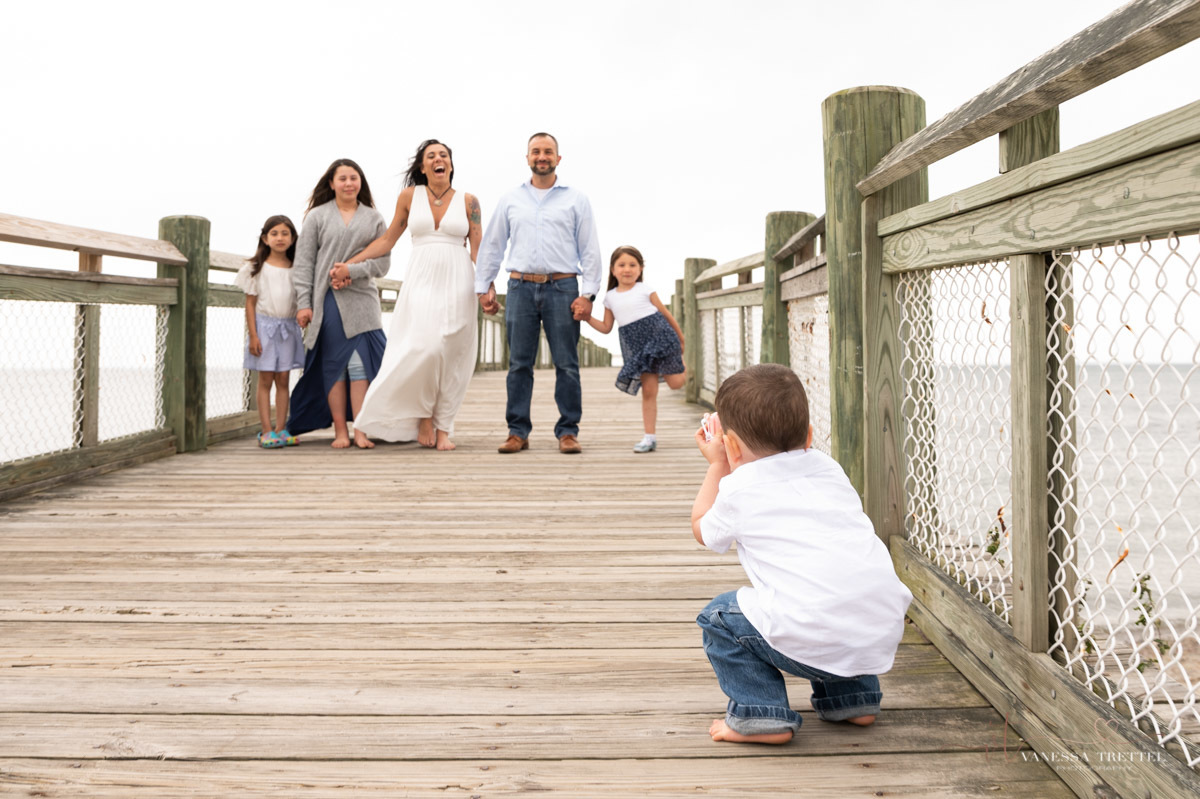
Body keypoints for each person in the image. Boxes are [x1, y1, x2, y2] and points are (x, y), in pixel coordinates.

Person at [691, 364, 913, 745]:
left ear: (730, 446)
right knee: (831, 592)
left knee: (718, 617)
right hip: (879, 628)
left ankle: (761, 717)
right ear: (809, 435)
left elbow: (703, 531)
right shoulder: (829, 469)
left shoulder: (737, 488)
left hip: (812, 634)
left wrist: (717, 466)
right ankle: (854, 700)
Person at [347, 139, 481, 451]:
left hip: (459, 279)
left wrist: (486, 288)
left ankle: (443, 426)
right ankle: (419, 414)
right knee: (425, 346)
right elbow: (387, 240)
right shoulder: (409, 196)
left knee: (452, 353)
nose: (438, 159)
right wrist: (350, 264)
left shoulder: (469, 201)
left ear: (450, 164)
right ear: (422, 166)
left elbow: (479, 248)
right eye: (431, 156)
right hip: (421, 279)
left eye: (443, 155)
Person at [476, 132, 602, 454]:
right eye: (536, 151)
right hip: (519, 287)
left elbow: (589, 250)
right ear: (527, 158)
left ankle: (568, 431)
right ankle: (517, 431)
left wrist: (587, 296)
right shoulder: (510, 199)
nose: (541, 156)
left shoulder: (576, 199)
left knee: (567, 364)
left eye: (548, 151)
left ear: (558, 158)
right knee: (519, 364)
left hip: (563, 287)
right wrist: (483, 287)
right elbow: (492, 245)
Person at [288, 158, 391, 449]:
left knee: (360, 366)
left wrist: (352, 271)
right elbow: (304, 264)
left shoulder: (374, 218)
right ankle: (340, 432)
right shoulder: (317, 217)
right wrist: (304, 303)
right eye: (342, 178)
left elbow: (382, 263)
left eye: (353, 178)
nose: (348, 183)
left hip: (363, 301)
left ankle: (360, 430)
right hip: (327, 300)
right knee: (335, 366)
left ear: (361, 183)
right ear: (332, 183)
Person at [584, 245, 684, 452]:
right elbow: (605, 327)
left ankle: (684, 368)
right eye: (621, 265)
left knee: (676, 384)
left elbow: (666, 314)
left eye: (632, 265)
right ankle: (649, 437)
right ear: (613, 269)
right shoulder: (610, 297)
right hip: (638, 348)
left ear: (640, 269)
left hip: (662, 338)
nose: (627, 269)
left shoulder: (645, 290)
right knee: (648, 391)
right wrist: (587, 318)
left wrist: (681, 339)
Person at [234, 214, 305, 449]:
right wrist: (253, 335)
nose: (280, 238)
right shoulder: (255, 268)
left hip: (288, 327)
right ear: (265, 238)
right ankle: (266, 431)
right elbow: (250, 304)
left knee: (283, 378)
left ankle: (281, 428)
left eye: (285, 233)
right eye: (274, 233)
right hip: (264, 327)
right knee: (265, 378)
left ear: (293, 238)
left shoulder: (298, 268)